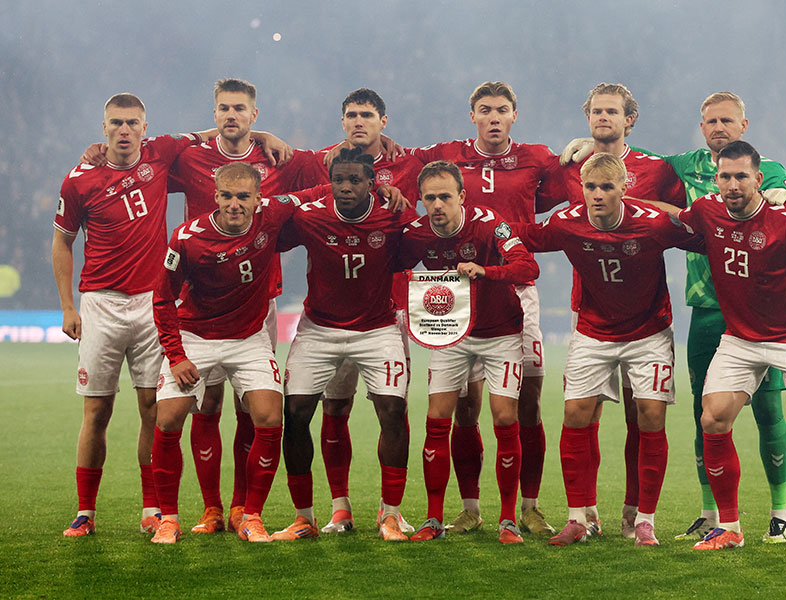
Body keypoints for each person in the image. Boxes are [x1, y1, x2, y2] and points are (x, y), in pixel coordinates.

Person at [562, 91, 786, 542]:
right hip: (708, 306)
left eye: (727, 121)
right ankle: (711, 513)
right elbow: (629, 161)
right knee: (704, 412)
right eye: (710, 121)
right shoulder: (683, 165)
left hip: (761, 310)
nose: (718, 128)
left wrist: (779, 197)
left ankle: (779, 510)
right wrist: (593, 143)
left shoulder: (769, 171)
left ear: (743, 126)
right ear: (701, 126)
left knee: (769, 409)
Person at [518, 152, 701, 546]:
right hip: (593, 332)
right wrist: (473, 226)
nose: (597, 195)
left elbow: (705, 238)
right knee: (575, 414)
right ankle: (578, 517)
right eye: (590, 187)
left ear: (625, 187)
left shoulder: (653, 225)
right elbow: (524, 235)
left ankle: (645, 521)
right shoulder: (567, 223)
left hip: (648, 332)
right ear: (581, 188)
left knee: (650, 415)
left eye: (606, 187)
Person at [166, 78, 321, 536]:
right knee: (206, 404)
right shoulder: (191, 157)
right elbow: (143, 161)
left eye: (240, 109)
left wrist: (381, 145)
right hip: (201, 305)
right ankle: (212, 509)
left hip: (258, 301)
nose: (231, 115)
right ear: (213, 113)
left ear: (255, 114)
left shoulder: (275, 157)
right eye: (223, 109)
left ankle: (240, 507)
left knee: (250, 407)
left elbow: (333, 165)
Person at [670, 140, 786, 555]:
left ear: (758, 178)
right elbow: (672, 220)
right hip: (740, 340)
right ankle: (730, 527)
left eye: (741, 176)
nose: (731, 184)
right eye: (724, 176)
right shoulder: (707, 211)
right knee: (713, 418)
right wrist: (618, 197)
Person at [409, 81, 559, 535]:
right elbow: (387, 160)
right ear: (472, 115)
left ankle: (526, 507)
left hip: (512, 300)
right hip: (455, 300)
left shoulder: (538, 157)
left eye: (501, 110)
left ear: (515, 114)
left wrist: (590, 144)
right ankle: (469, 508)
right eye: (485, 110)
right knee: (463, 408)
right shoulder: (446, 155)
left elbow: (585, 174)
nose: (493, 117)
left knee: (525, 405)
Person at [52, 93, 205, 537]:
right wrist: (67, 305)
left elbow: (217, 134)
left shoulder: (161, 153)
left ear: (144, 126)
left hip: (152, 304)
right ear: (103, 128)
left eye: (132, 122)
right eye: (116, 122)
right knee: (97, 411)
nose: (124, 130)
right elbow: (62, 241)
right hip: (100, 303)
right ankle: (85, 512)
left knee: (151, 408)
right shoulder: (79, 179)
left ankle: (152, 508)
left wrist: (267, 135)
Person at [545, 83, 686, 538]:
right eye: (597, 111)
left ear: (630, 119)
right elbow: (527, 203)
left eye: (613, 111)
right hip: (588, 306)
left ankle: (636, 515)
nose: (603, 118)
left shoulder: (656, 169)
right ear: (587, 117)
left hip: (645, 314)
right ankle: (583, 515)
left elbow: (686, 219)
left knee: (640, 415)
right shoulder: (568, 167)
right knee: (583, 413)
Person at [292, 88, 421, 535]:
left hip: (384, 315)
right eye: (351, 114)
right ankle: (336, 510)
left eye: (367, 114)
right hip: (323, 321)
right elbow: (280, 195)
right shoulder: (316, 165)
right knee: (332, 410)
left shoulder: (408, 166)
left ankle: (390, 512)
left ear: (383, 120)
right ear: (342, 120)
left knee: (393, 409)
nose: (358, 121)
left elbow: (446, 179)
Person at [150, 162, 294, 543]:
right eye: (227, 196)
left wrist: (382, 191)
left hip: (248, 338)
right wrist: (177, 355)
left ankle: (250, 515)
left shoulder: (272, 216)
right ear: (215, 196)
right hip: (196, 335)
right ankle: (170, 518)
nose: (235, 204)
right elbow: (163, 298)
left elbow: (318, 196)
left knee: (269, 415)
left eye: (243, 197)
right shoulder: (186, 238)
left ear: (258, 199)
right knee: (167, 418)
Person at [399, 161, 539, 544]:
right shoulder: (414, 233)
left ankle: (508, 520)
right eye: (430, 198)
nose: (438, 205)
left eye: (446, 196)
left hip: (500, 334)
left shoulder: (490, 223)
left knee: (505, 417)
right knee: (436, 419)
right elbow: (390, 268)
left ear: (462, 196)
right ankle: (432, 518)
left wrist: (486, 271)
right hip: (451, 333)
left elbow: (529, 267)